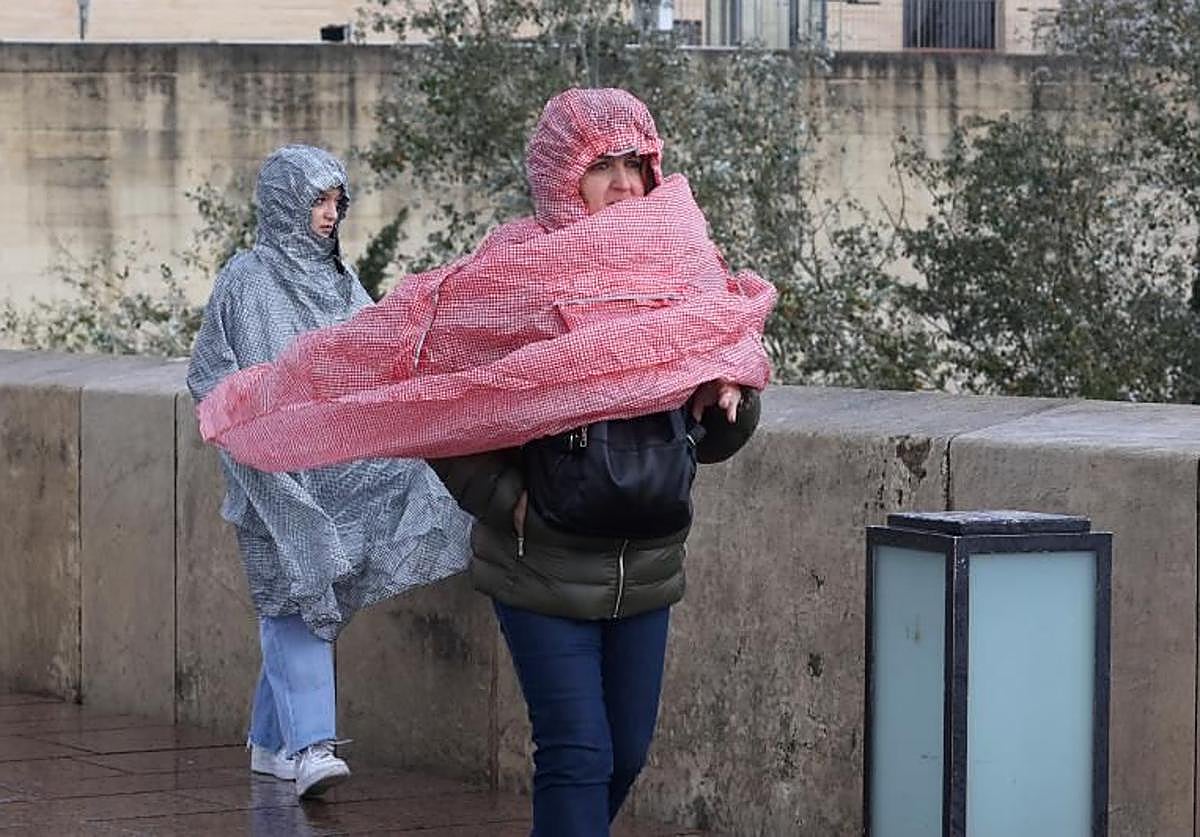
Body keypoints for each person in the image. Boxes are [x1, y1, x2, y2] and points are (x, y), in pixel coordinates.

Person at [427, 88, 763, 836]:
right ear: (559, 176)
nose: (623, 185)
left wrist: (729, 385)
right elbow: (443, 410)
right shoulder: (512, 277)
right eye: (600, 166)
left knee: (626, 756)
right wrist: (511, 500)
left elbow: (715, 440)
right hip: (541, 564)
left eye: (635, 165)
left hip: (645, 564)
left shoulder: (683, 272)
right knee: (576, 754)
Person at [186, 145, 472, 800]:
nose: (329, 213)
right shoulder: (244, 280)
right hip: (270, 475)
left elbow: (377, 346)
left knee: (309, 600)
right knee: (292, 596)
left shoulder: (340, 281)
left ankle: (270, 740)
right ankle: (312, 745)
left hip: (338, 469)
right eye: (318, 200)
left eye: (336, 201)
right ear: (285, 202)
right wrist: (253, 430)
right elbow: (209, 372)